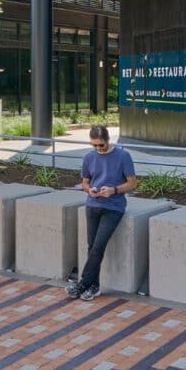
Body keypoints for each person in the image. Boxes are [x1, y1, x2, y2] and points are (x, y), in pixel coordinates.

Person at [67, 124, 137, 302]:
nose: (98, 148)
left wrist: (113, 190)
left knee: (98, 246)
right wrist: (89, 190)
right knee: (92, 247)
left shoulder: (123, 156)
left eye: (101, 145)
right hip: (93, 204)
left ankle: (82, 283)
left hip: (114, 207)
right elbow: (84, 182)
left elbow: (132, 183)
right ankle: (94, 286)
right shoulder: (89, 157)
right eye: (94, 145)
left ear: (108, 140)